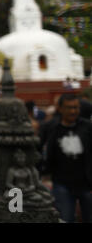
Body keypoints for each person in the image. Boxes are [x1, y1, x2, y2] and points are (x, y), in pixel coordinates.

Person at [44, 93, 92, 223]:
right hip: (62, 184)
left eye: (76, 107)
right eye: (69, 108)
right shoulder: (51, 128)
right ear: (60, 109)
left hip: (87, 183)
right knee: (65, 219)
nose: (73, 111)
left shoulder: (87, 127)